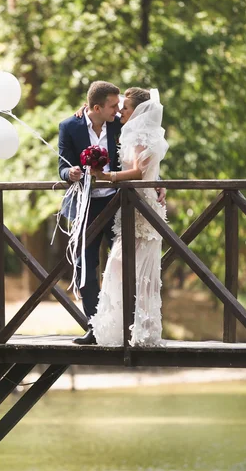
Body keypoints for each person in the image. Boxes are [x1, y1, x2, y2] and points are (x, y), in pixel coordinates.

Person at [58, 81, 166, 345]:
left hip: (119, 204)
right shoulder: (69, 126)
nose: (118, 110)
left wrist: (158, 180)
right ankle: (95, 328)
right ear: (96, 107)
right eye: (113, 105)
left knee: (122, 264)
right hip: (85, 205)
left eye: (120, 106)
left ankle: (129, 328)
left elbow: (144, 156)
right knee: (85, 265)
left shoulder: (121, 122)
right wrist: (69, 173)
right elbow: (61, 165)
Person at [89, 87, 168, 346]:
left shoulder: (140, 134)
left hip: (141, 208)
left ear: (138, 112)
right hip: (137, 205)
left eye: (125, 108)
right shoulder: (138, 132)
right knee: (132, 267)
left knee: (129, 267)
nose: (121, 110)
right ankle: (131, 329)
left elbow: (138, 171)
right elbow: (148, 172)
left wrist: (107, 177)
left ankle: (135, 331)